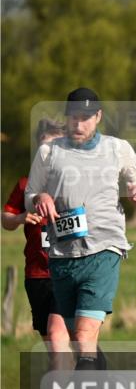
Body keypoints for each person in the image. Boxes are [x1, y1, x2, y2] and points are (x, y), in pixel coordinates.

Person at [26, 88, 136, 369]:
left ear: (98, 117)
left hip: (104, 249)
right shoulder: (49, 152)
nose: (79, 124)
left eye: (86, 118)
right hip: (62, 253)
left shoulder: (117, 148)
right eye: (73, 118)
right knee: (78, 337)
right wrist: (40, 198)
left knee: (83, 334)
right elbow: (31, 194)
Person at [3, 120, 67, 348]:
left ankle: (73, 377)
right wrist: (20, 218)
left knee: (60, 335)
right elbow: (6, 220)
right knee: (51, 342)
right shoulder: (24, 185)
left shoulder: (73, 183)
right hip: (37, 275)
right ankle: (89, 369)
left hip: (68, 272)